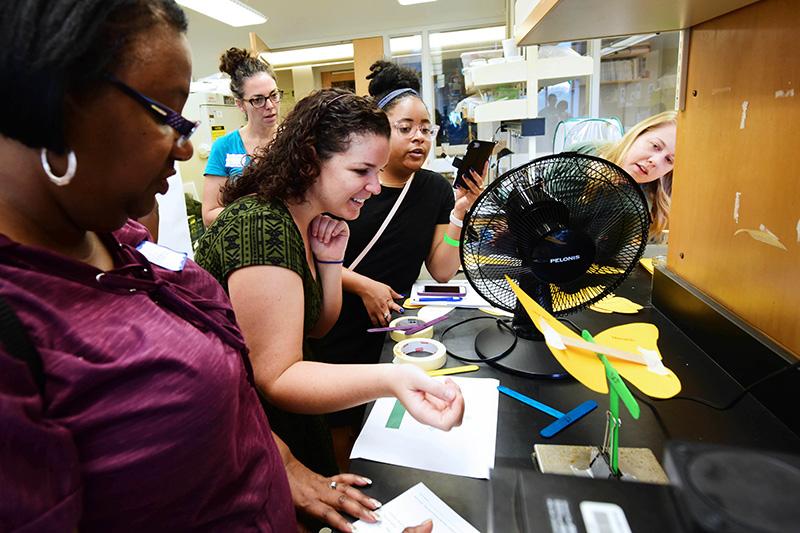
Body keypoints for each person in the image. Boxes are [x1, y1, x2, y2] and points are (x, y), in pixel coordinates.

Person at [0, 2, 432, 532]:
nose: (184, 148)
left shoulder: (121, 238)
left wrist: (283, 462)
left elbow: (232, 396)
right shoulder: (19, 326)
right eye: (165, 115)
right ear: (59, 105)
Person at [194, 88, 465, 479]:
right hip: (251, 432)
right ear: (309, 160)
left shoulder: (312, 221)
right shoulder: (262, 225)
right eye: (361, 172)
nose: (374, 187)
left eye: (377, 171)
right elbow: (278, 377)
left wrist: (330, 262)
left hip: (289, 422)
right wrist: (392, 378)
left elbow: (318, 325)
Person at [306, 60, 484, 462]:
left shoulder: (434, 188)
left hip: (391, 328)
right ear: (381, 130)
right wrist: (362, 285)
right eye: (405, 128)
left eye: (426, 128)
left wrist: (460, 212)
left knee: (379, 421)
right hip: (335, 320)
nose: (419, 137)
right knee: (338, 420)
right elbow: (314, 258)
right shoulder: (349, 185)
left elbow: (441, 269)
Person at [202, 47, 281, 226]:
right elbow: (209, 215)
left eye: (274, 95)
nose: (270, 105)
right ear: (240, 104)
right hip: (244, 246)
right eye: (258, 99)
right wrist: (258, 212)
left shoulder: (293, 140)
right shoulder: (224, 146)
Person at [570, 110, 677, 243]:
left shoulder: (643, 209)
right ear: (638, 133)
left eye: (669, 160)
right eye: (655, 146)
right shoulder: (583, 152)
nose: (654, 161)